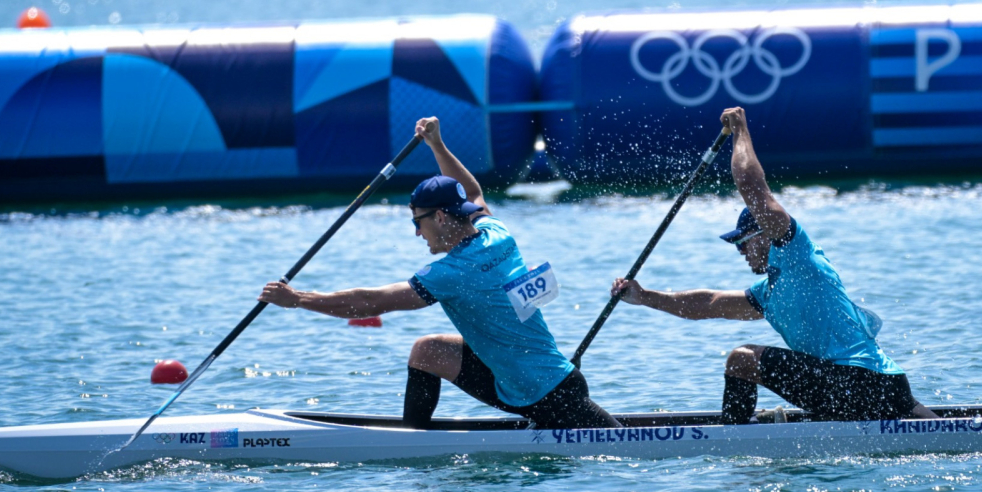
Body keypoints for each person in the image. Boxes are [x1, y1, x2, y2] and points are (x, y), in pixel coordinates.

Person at [260, 116, 619, 430]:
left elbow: (371, 302)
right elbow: (473, 192)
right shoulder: (497, 234)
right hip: (532, 376)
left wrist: (297, 300)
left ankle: (412, 448)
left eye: (418, 222)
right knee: (428, 351)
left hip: (544, 393)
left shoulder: (454, 272)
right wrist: (437, 144)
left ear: (442, 218)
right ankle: (412, 440)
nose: (417, 233)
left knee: (617, 444)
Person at [611, 106, 935, 424]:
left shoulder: (795, 254)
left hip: (860, 381)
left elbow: (753, 189)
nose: (740, 252)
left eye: (743, 242)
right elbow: (707, 304)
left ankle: (733, 440)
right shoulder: (768, 293)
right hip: (878, 389)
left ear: (766, 232)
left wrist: (740, 130)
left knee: (742, 360)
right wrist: (643, 297)